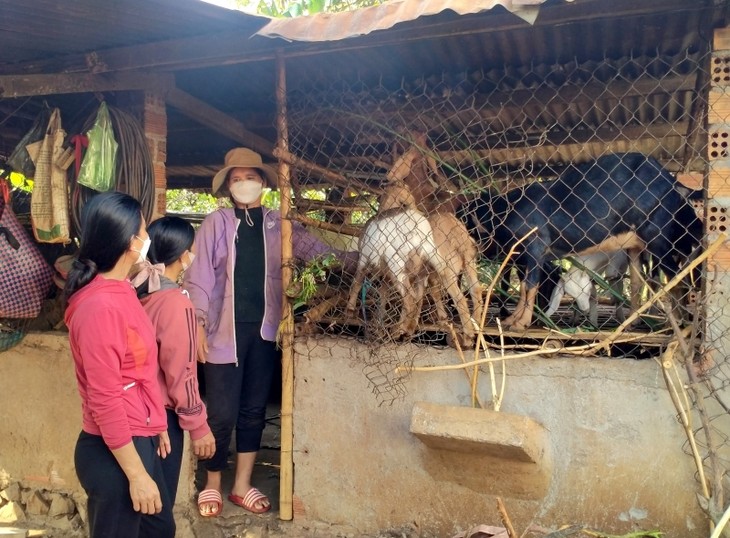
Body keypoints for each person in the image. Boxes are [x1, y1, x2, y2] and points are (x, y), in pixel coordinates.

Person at [185, 147, 357, 517]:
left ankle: (242, 485)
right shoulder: (217, 223)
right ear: (228, 187)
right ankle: (213, 482)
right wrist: (197, 323)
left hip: (265, 332)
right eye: (236, 179)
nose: (243, 183)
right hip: (221, 334)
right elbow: (198, 278)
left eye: (250, 177)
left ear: (262, 183)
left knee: (253, 410)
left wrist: (367, 255)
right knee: (221, 412)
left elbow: (320, 252)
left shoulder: (279, 222)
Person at [63, 191, 175, 538]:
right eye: (144, 231)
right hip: (114, 452)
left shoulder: (121, 290)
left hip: (137, 437)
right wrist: (137, 475)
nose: (148, 238)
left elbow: (137, 369)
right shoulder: (98, 307)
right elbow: (105, 398)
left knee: (159, 529)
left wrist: (155, 421)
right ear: (130, 243)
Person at [133, 216, 216, 507]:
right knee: (158, 512)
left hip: (133, 411)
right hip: (160, 421)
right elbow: (181, 372)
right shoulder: (175, 302)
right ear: (183, 256)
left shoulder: (137, 292)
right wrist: (198, 424)